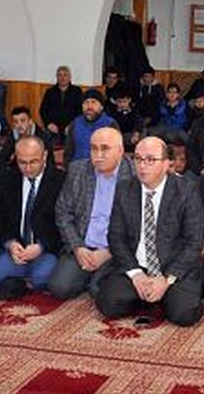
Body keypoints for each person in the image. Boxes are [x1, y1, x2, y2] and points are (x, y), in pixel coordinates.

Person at [94, 136, 204, 327]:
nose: (142, 166)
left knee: (184, 314)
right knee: (108, 304)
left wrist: (166, 279)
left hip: (173, 268)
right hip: (138, 265)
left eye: (151, 160)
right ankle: (149, 296)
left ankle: (161, 296)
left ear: (166, 164)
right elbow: (116, 237)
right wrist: (135, 274)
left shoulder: (187, 190)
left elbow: (194, 242)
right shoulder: (125, 188)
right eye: (138, 159)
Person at [49, 127, 135, 300]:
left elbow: (138, 225)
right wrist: (77, 247)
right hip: (83, 245)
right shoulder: (78, 170)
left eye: (105, 148)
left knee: (100, 292)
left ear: (120, 151)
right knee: (59, 288)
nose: (98, 155)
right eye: (94, 148)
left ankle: (96, 278)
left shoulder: (135, 175)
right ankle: (89, 275)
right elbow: (63, 212)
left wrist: (109, 252)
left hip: (115, 250)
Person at [0, 135, 66, 297]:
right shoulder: (8, 179)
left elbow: (64, 224)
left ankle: (22, 279)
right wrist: (10, 243)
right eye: (22, 162)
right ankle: (23, 278)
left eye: (34, 162)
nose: (28, 168)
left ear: (45, 156)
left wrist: (41, 246)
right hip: (16, 249)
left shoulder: (60, 181)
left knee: (41, 278)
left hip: (45, 249)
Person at [63, 90, 118, 163]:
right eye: (86, 102)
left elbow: (116, 152)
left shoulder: (110, 124)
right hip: (78, 166)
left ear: (101, 107)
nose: (89, 106)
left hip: (102, 167)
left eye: (93, 102)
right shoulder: (75, 124)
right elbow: (68, 152)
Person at [39, 66, 83, 143]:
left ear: (69, 77)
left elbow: (80, 111)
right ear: (56, 77)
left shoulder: (77, 91)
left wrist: (72, 125)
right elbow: (43, 110)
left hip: (71, 128)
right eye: (60, 75)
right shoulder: (50, 92)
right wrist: (49, 124)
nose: (62, 78)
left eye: (65, 75)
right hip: (52, 128)